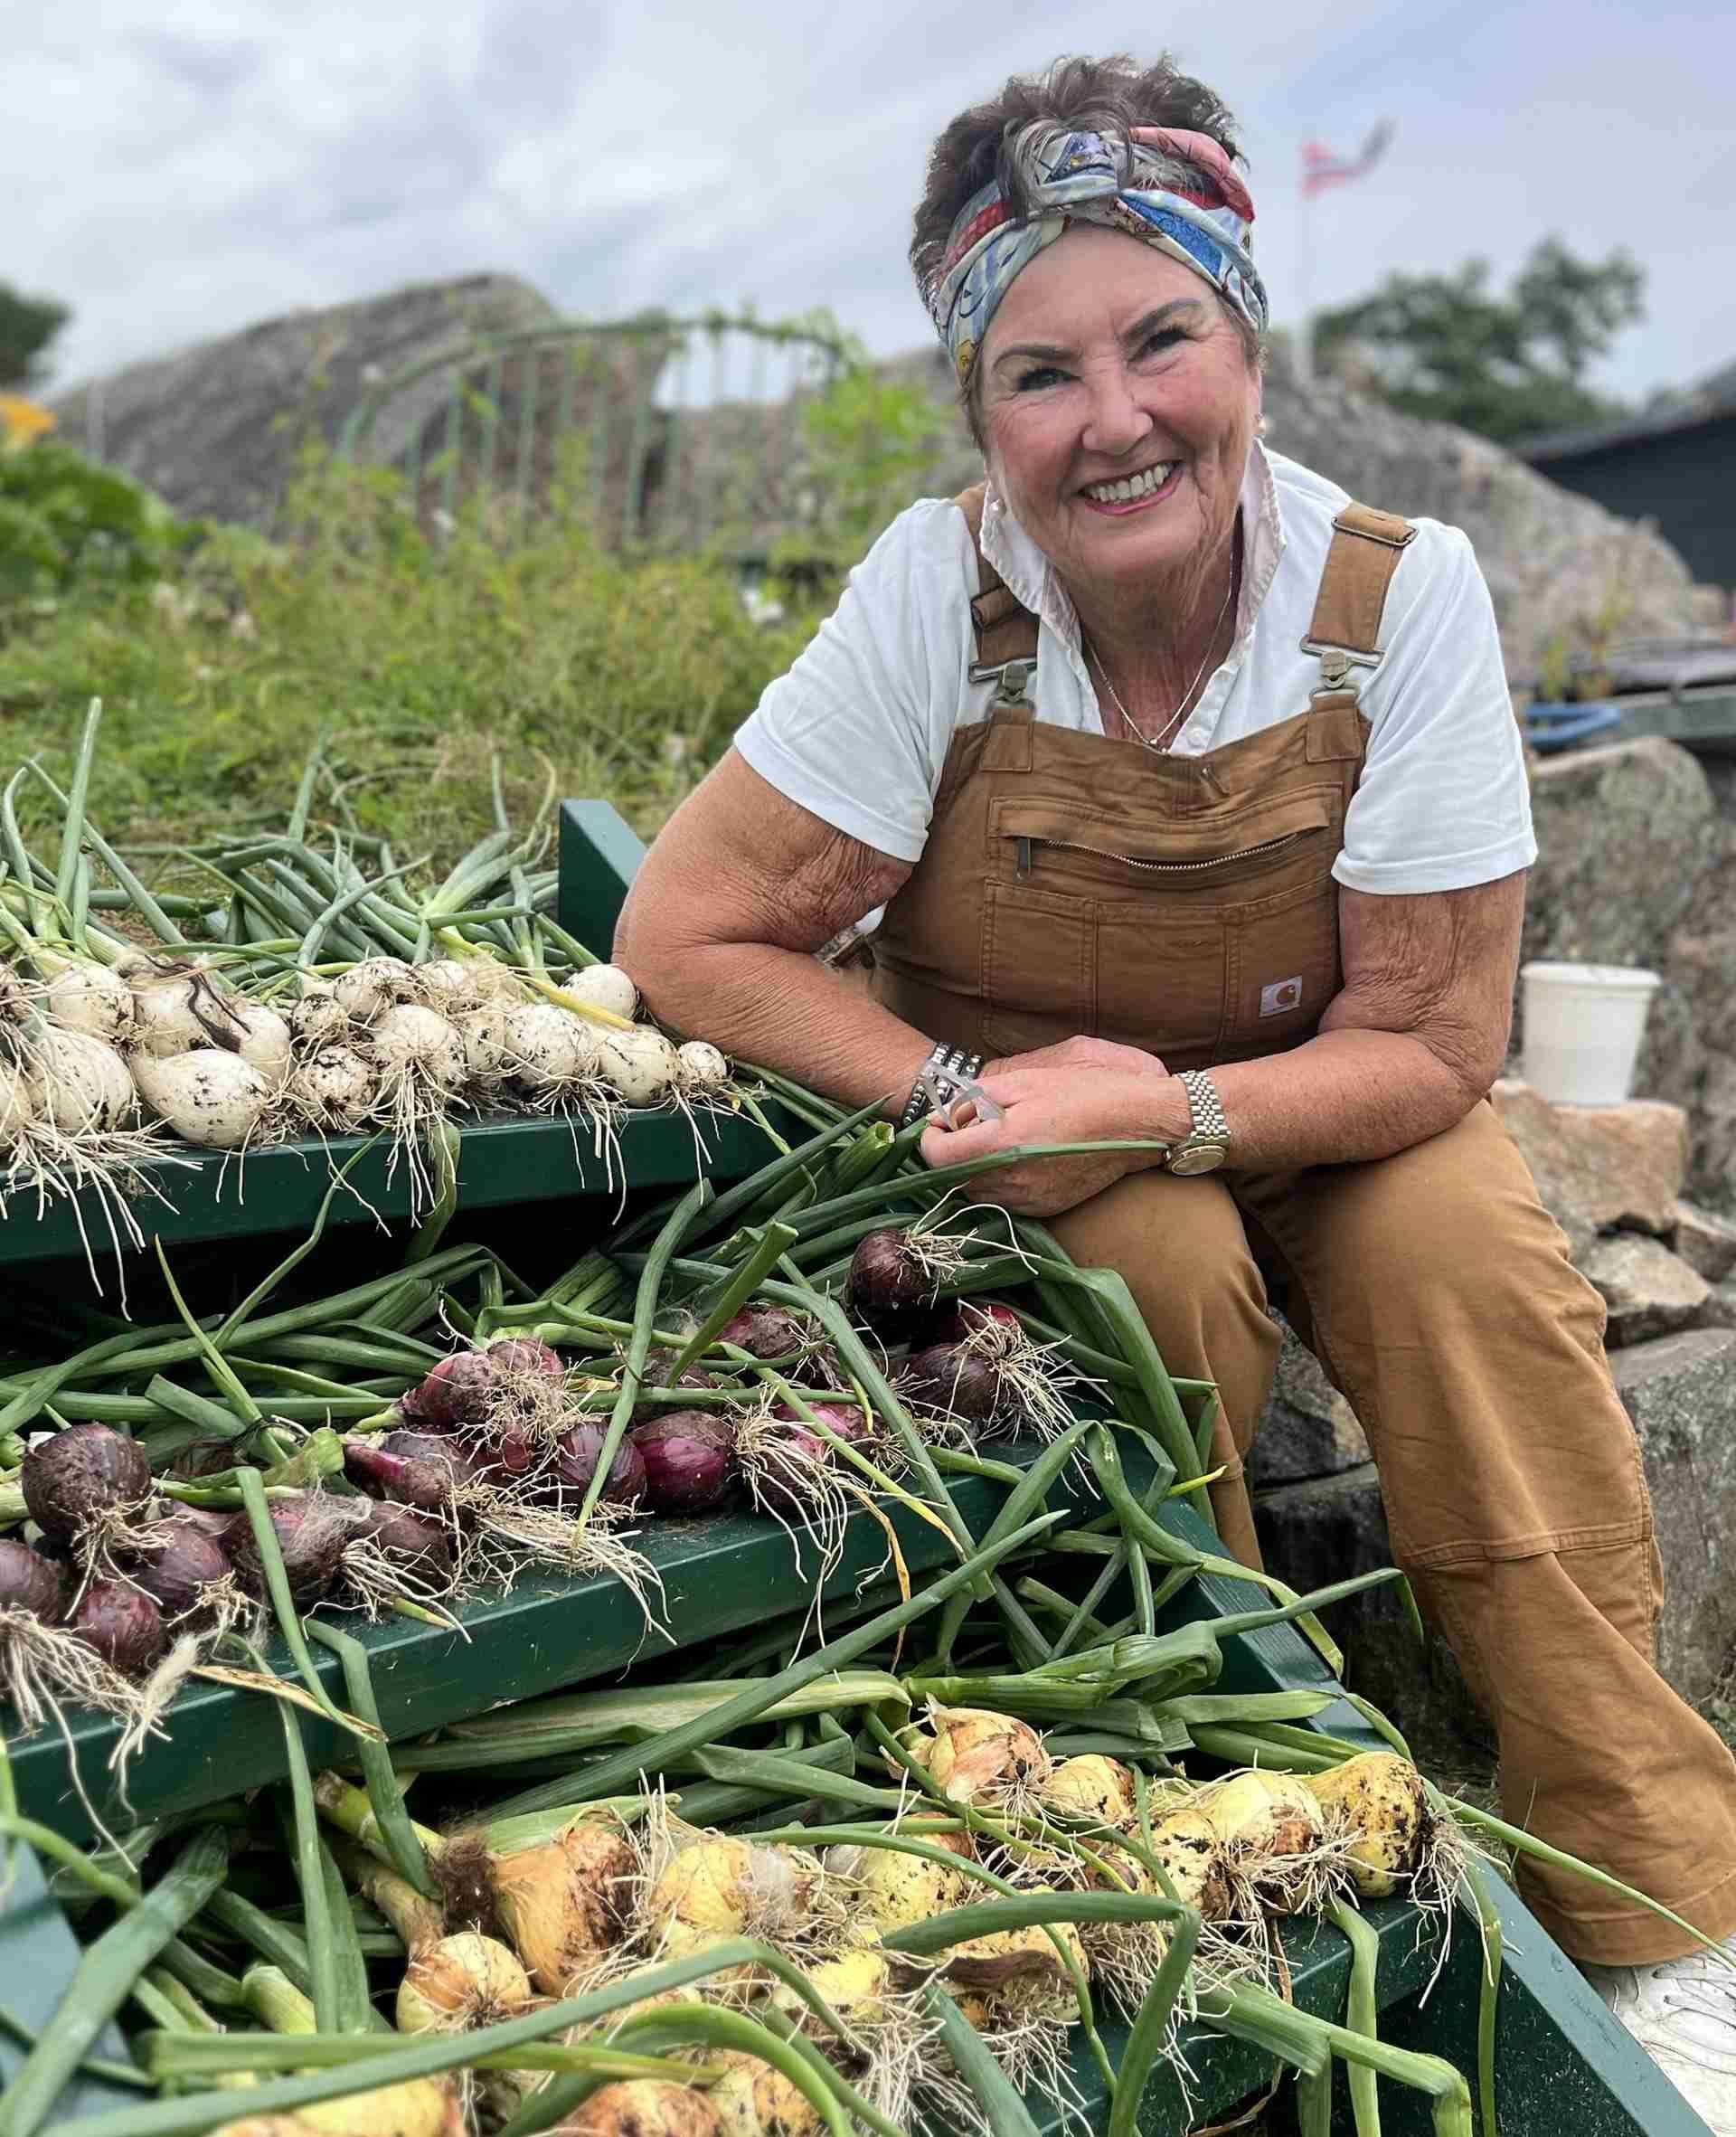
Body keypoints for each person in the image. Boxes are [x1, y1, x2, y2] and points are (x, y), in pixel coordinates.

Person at [616, 53, 1736, 2124]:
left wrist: (1191, 1109)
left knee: (1469, 1259)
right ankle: (1229, 1839)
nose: (1114, 419)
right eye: (1040, 373)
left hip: (1328, 1096)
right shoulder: (931, 606)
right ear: (980, 414)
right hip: (1038, 1125)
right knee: (1153, 1273)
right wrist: (974, 1083)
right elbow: (687, 941)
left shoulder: (1393, 602)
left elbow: (1434, 1038)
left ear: (1247, 339)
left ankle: (1663, 1916)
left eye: (1163, 340)